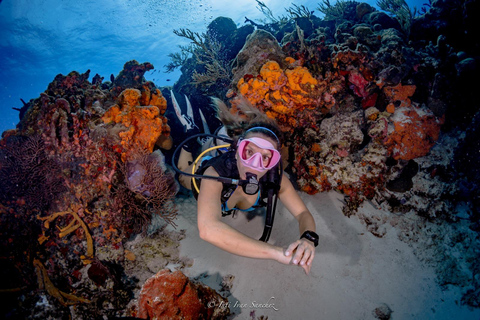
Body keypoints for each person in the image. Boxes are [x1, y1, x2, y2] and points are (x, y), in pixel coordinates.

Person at [173, 95, 318, 274]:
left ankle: (212, 138)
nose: (254, 163)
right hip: (210, 167)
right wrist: (277, 253)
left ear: (273, 162)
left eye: (265, 157)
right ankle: (191, 132)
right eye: (249, 151)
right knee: (184, 178)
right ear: (237, 151)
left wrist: (308, 238)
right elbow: (208, 229)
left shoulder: (275, 180)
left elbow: (303, 213)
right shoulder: (215, 174)